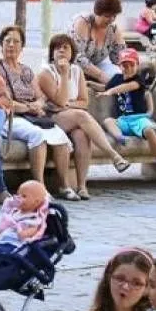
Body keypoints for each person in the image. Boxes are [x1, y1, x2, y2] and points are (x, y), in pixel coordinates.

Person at [38, 34, 130, 199]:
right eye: (57, 48)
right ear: (52, 52)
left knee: (81, 135)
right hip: (52, 118)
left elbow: (83, 102)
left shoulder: (77, 71)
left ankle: (81, 186)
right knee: (81, 116)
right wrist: (64, 75)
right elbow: (60, 100)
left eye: (65, 47)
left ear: (72, 52)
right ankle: (114, 155)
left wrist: (68, 105)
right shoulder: (46, 72)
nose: (61, 51)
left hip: (70, 115)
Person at [0, 25, 77, 200]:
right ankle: (39, 188)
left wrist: (37, 104)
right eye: (7, 41)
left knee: (60, 135)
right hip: (10, 117)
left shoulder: (26, 70)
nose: (11, 45)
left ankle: (64, 185)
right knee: (36, 135)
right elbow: (4, 100)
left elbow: (41, 97)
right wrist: (28, 107)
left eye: (16, 41)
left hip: (32, 116)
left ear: (22, 47)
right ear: (1, 44)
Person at [99, 49, 156, 162]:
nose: (128, 68)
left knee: (149, 131)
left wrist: (111, 91)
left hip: (139, 119)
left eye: (132, 65)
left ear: (137, 65)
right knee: (108, 121)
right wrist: (88, 84)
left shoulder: (138, 79)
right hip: (122, 121)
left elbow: (128, 86)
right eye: (125, 65)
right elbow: (104, 87)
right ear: (120, 66)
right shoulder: (116, 78)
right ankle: (120, 138)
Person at [68, 0, 127, 85]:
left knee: (119, 77)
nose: (111, 20)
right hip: (71, 66)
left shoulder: (113, 29)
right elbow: (77, 58)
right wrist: (100, 75)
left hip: (97, 65)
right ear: (97, 12)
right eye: (107, 16)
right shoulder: (83, 23)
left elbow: (120, 59)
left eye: (114, 16)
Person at [0, 180, 50, 250]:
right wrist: (0, 230)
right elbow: (6, 223)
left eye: (24, 196)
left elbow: (34, 229)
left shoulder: (33, 217)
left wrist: (23, 233)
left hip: (16, 243)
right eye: (18, 194)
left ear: (36, 202)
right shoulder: (15, 211)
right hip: (4, 239)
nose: (19, 198)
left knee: (0, 250)